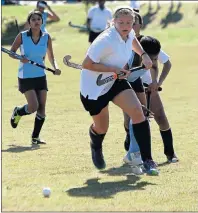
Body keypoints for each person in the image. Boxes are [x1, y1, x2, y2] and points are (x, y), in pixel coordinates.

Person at [80, 7, 159, 175]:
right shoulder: (105, 40)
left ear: (133, 23)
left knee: (138, 112)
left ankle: (147, 159)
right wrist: (113, 69)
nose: (125, 25)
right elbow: (86, 64)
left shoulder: (129, 33)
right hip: (94, 88)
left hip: (115, 82)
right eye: (121, 22)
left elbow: (132, 41)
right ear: (113, 22)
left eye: (129, 23)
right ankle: (96, 143)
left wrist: (143, 54)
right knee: (101, 128)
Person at [124, 12, 178, 166]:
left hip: (148, 88)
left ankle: (170, 152)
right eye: (128, 23)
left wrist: (157, 82)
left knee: (160, 117)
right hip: (128, 87)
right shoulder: (122, 44)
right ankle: (133, 152)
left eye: (134, 23)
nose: (131, 26)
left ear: (140, 25)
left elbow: (164, 63)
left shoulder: (148, 43)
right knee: (130, 121)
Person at [9, 11, 61, 145]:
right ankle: (18, 112)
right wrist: (20, 57)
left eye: (39, 19)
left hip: (40, 76)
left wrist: (55, 67)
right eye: (33, 19)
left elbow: (51, 56)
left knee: (42, 108)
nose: (36, 21)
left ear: (42, 22)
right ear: (29, 22)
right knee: (33, 106)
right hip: (26, 76)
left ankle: (35, 137)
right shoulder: (22, 36)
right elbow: (12, 52)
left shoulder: (46, 37)